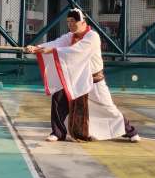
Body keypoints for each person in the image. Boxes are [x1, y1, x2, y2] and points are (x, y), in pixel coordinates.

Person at [25, 8, 140, 143]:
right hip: (76, 78)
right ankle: (58, 133)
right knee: (59, 98)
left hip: (94, 80)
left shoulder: (92, 36)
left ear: (83, 22)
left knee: (108, 108)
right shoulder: (70, 36)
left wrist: (52, 50)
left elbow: (76, 51)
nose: (70, 24)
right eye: (68, 22)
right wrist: (36, 48)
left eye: (73, 21)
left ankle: (130, 131)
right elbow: (55, 43)